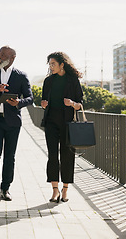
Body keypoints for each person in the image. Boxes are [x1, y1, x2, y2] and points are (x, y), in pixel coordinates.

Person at [0, 46, 33, 201]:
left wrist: (18, 102)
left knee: (9, 157)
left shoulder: (21, 76)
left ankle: (5, 189)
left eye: (3, 55)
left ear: (12, 57)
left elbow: (30, 98)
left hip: (13, 123)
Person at [40, 51, 83, 203]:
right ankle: (54, 190)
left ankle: (65, 190)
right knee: (52, 155)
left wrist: (71, 103)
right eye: (50, 64)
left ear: (62, 64)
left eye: (53, 64)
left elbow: (80, 104)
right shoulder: (48, 81)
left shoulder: (73, 80)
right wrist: (43, 104)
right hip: (51, 122)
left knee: (67, 155)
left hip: (68, 123)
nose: (51, 67)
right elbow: (44, 101)